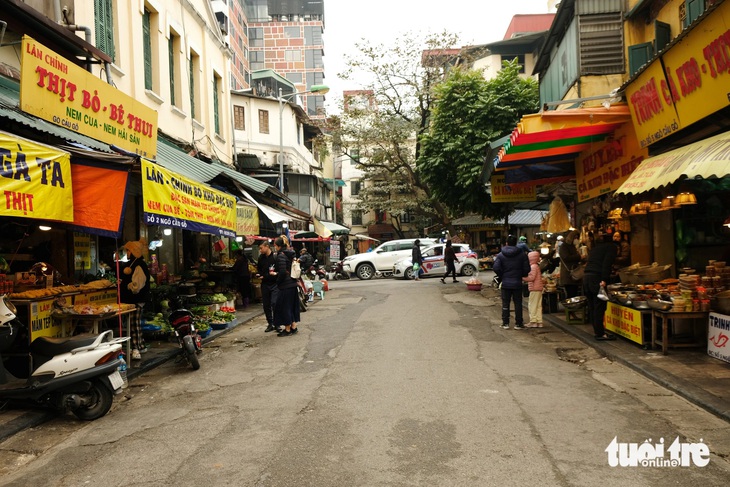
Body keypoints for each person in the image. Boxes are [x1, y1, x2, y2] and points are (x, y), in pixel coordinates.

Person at [118, 238, 150, 361]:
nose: (127, 253)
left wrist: (127, 285)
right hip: (134, 299)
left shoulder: (139, 265)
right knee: (135, 323)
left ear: (133, 252)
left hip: (136, 299)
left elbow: (137, 285)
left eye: (128, 250)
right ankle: (140, 345)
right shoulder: (134, 263)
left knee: (134, 324)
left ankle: (136, 348)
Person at [583, 232, 617, 341]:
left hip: (586, 278)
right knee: (599, 306)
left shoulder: (595, 248)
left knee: (592, 306)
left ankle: (598, 330)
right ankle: (600, 334)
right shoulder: (611, 247)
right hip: (596, 279)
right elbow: (606, 264)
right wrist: (604, 279)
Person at [493, 235, 530, 330]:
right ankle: (518, 323)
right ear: (516, 243)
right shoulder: (522, 254)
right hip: (517, 282)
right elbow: (527, 269)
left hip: (505, 282)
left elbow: (496, 268)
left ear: (506, 243)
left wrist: (502, 275)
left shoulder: (501, 255)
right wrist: (521, 274)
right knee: (518, 303)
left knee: (505, 303)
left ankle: (505, 323)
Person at [270, 236, 300, 337]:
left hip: (285, 285)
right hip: (292, 283)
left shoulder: (281, 256)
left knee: (284, 307)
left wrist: (277, 279)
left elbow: (282, 272)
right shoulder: (290, 253)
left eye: (275, 245)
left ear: (277, 246)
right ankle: (293, 326)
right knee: (290, 306)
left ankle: (287, 329)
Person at [256, 241, 279, 332]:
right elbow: (259, 269)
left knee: (274, 303)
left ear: (267, 247)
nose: (260, 250)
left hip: (274, 284)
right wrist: (259, 274)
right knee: (266, 305)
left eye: (261, 248)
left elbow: (278, 271)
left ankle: (277, 323)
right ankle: (270, 323)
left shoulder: (275, 257)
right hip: (265, 284)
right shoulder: (261, 258)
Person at [559, 230, 584, 299]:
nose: (577, 239)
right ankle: (571, 308)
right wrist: (579, 257)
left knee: (574, 293)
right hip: (569, 274)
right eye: (576, 237)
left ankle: (573, 308)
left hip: (574, 274)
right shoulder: (564, 246)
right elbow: (566, 257)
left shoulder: (573, 246)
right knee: (571, 294)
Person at [523, 251, 544, 328]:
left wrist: (522, 278)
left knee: (532, 305)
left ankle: (533, 321)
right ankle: (539, 321)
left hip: (534, 288)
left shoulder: (533, 267)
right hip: (538, 288)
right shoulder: (537, 266)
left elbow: (531, 278)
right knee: (538, 306)